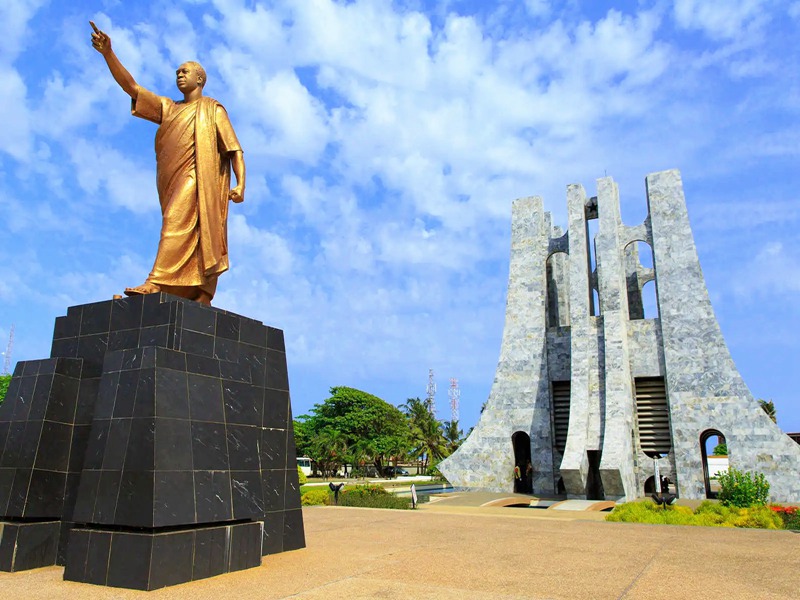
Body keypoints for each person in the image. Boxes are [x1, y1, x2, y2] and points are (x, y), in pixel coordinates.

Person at [90, 21, 245, 305]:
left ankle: (156, 281)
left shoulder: (212, 110)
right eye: (177, 73)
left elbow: (234, 150)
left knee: (174, 224)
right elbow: (132, 88)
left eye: (185, 72)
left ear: (200, 79)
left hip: (199, 179)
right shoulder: (169, 108)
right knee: (178, 225)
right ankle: (190, 290)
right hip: (170, 181)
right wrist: (108, 54)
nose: (179, 75)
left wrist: (240, 185)